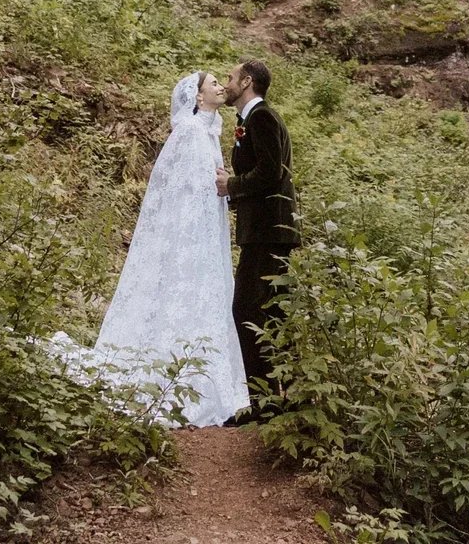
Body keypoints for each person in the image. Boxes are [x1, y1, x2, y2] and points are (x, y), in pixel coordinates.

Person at [54, 72, 249, 427]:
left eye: (223, 82)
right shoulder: (190, 132)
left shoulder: (208, 130)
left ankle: (211, 377)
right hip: (192, 234)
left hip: (207, 231)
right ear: (198, 97)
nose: (222, 87)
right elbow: (180, 192)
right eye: (214, 84)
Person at [216, 59, 298, 419]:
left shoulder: (262, 118)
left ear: (247, 82)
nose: (226, 83)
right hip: (268, 231)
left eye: (231, 78)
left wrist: (230, 185)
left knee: (247, 310)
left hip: (268, 232)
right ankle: (282, 401)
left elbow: (270, 171)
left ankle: (264, 406)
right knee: (274, 313)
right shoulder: (251, 120)